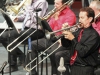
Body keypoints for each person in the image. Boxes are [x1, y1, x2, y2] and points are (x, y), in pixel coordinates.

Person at [25, 0, 76, 75]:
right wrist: (49, 21)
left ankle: (55, 73)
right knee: (32, 45)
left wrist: (56, 19)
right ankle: (32, 72)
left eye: (57, 4)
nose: (55, 5)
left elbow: (63, 32)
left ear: (64, 5)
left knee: (52, 53)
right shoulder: (55, 12)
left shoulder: (70, 15)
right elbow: (49, 29)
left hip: (61, 41)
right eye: (54, 3)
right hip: (51, 38)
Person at [0, 0, 48, 73]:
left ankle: (13, 65)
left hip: (37, 31)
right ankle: (21, 55)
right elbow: (26, 15)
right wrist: (18, 18)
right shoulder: (31, 2)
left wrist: (28, 6)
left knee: (9, 36)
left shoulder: (42, 2)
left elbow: (36, 19)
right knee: (3, 36)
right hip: (26, 29)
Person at [55, 7, 100, 75]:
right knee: (59, 55)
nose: (80, 20)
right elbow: (66, 45)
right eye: (79, 17)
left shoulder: (94, 35)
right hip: (74, 65)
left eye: (82, 18)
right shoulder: (78, 31)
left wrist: (73, 39)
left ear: (90, 19)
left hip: (85, 69)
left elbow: (83, 52)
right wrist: (65, 32)